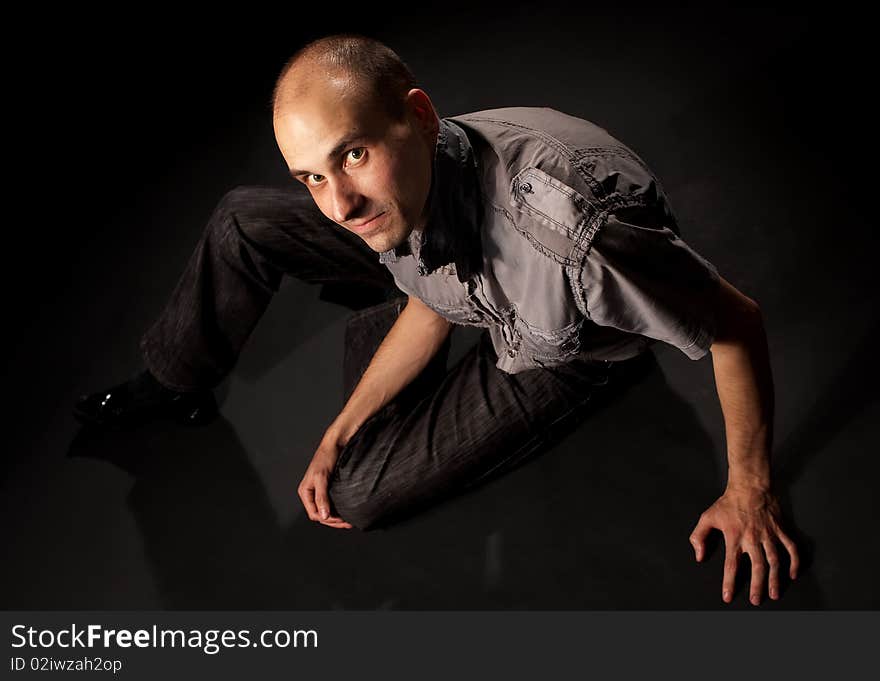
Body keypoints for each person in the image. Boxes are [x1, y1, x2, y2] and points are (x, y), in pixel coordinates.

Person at [74, 33, 799, 605]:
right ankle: (177, 381)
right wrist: (339, 426)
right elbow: (432, 298)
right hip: (451, 261)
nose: (338, 206)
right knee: (244, 218)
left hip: (563, 339)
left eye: (353, 154)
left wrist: (750, 490)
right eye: (312, 176)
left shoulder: (574, 242)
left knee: (356, 490)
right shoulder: (396, 188)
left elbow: (736, 322)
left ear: (419, 117)